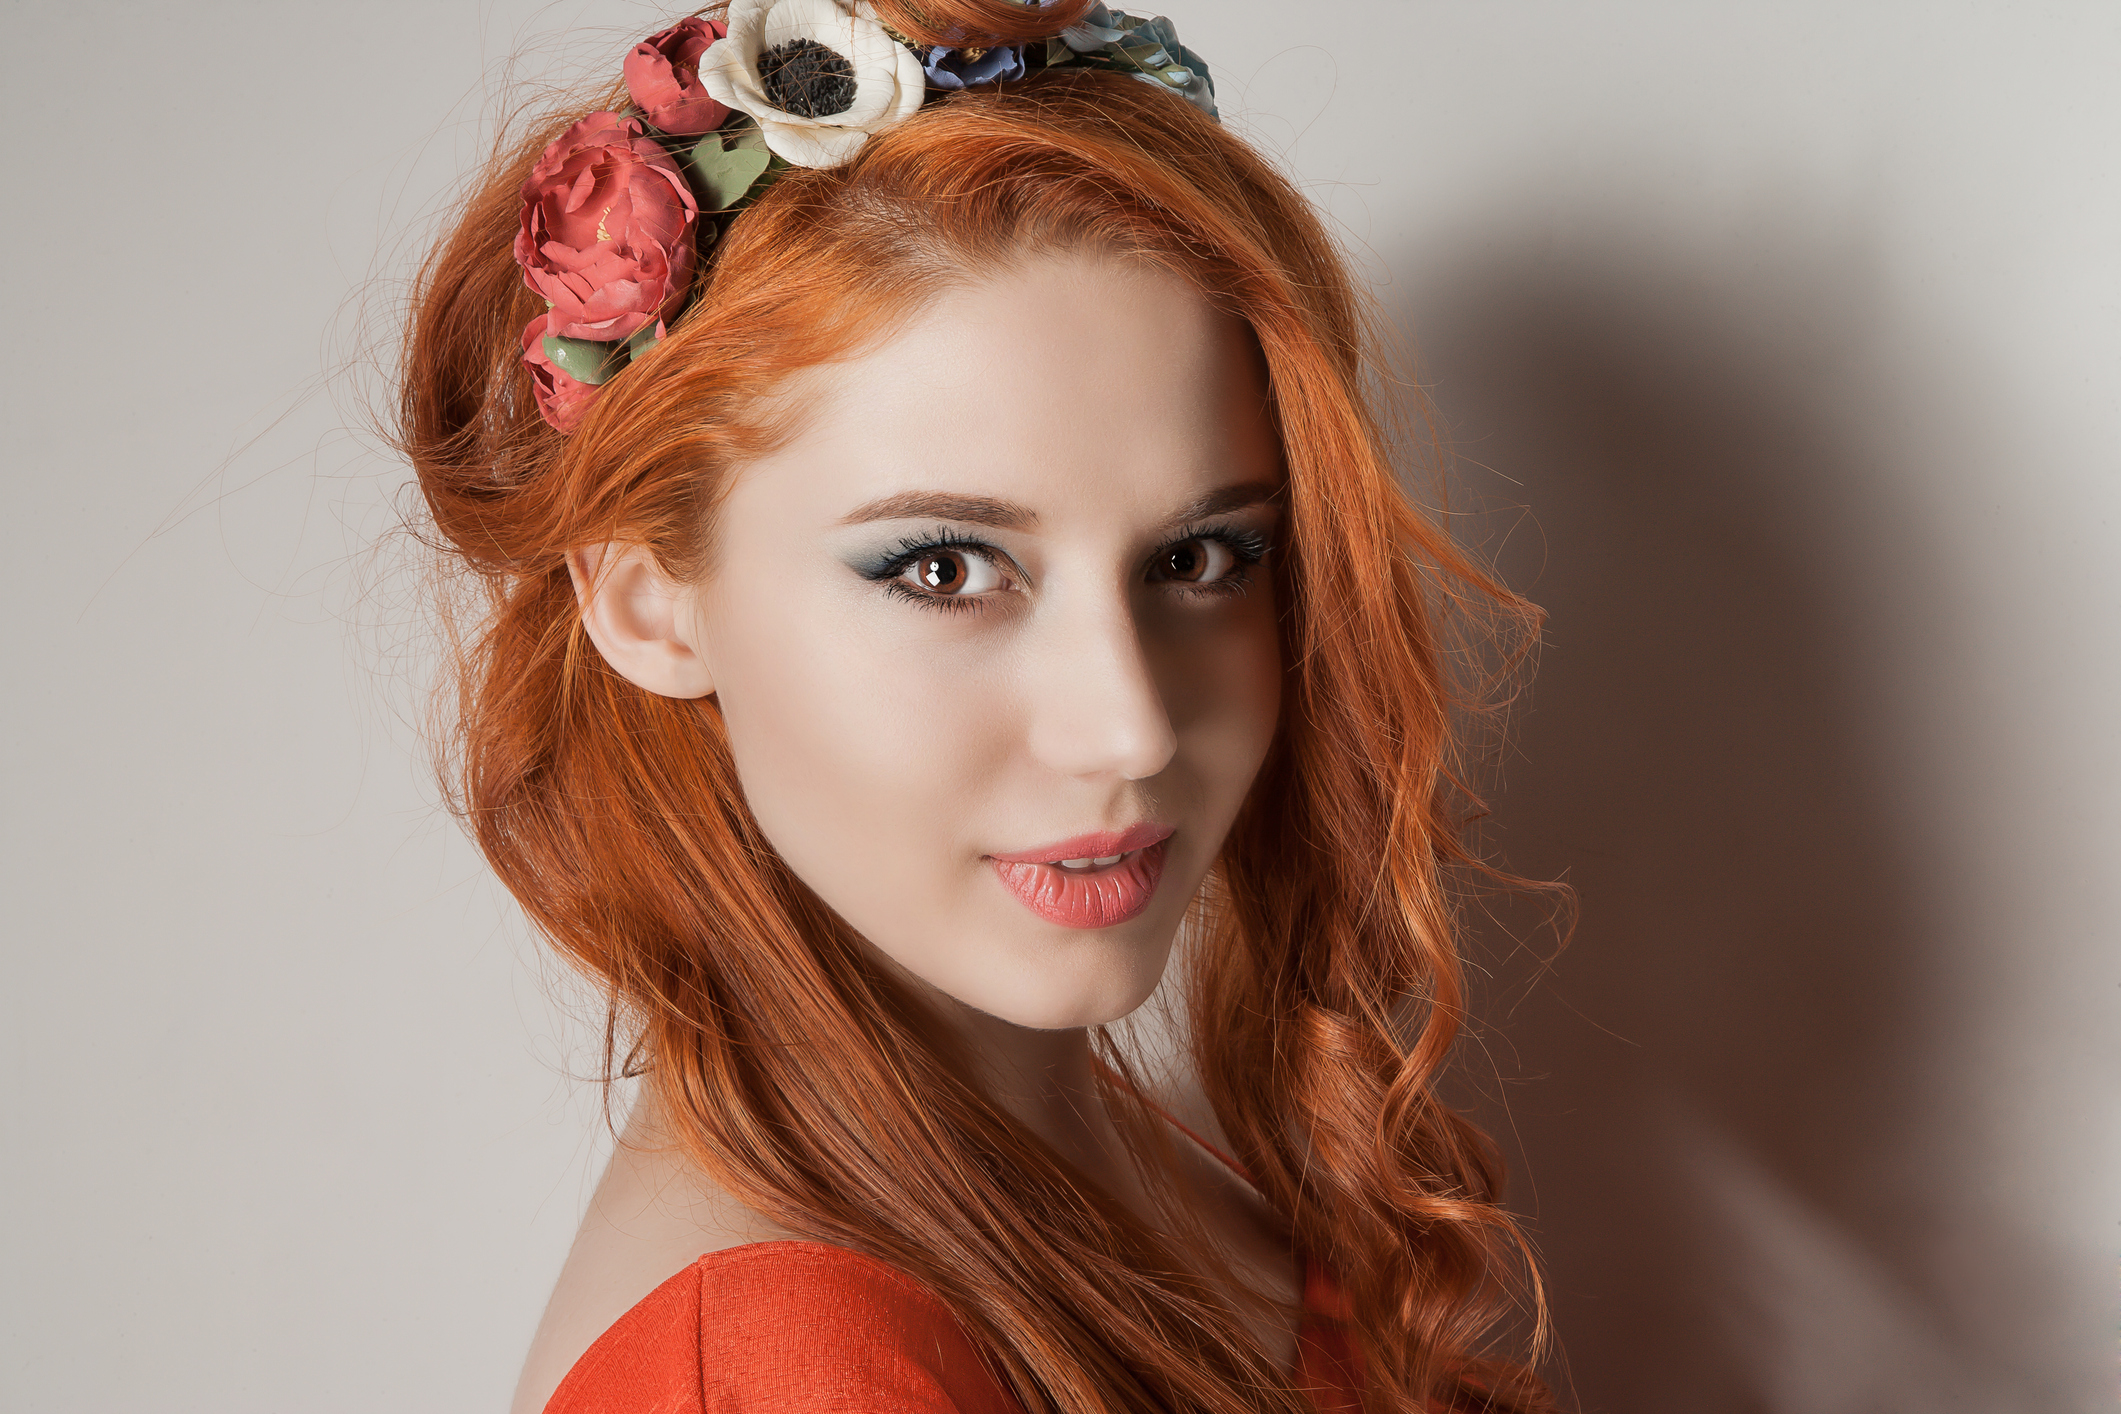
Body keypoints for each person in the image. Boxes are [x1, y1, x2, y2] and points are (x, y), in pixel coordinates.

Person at [396, 2, 1558, 1409]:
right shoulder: (793, 1369)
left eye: (1202, 557)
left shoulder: (1095, 1166)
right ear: (645, 597)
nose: (1127, 726)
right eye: (945, 568)